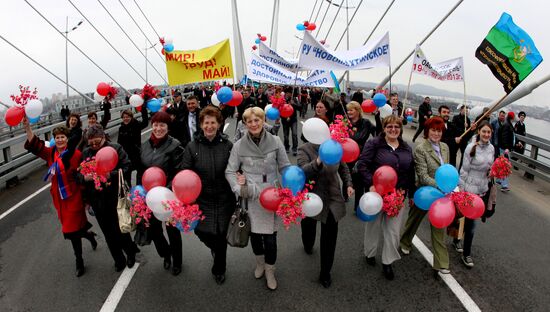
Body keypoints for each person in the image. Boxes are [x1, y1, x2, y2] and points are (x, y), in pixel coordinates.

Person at [225, 107, 291, 291]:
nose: (253, 124)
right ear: (244, 124)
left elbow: (285, 167)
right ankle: (260, 263)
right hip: (250, 196)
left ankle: (270, 269)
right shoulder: (238, 145)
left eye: (257, 120)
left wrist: (289, 187)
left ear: (263, 121)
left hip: (272, 195)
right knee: (254, 235)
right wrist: (238, 188)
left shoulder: (276, 141)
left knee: (270, 239)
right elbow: (230, 170)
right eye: (249, 121)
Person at [23, 118, 96, 277]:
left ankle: (79, 261)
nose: (60, 140)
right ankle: (89, 235)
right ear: (54, 140)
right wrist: (28, 128)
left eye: (63, 137)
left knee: (71, 230)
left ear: (67, 139)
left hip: (74, 195)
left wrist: (87, 198)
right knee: (73, 228)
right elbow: (35, 145)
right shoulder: (50, 153)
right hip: (59, 197)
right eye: (57, 138)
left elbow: (84, 174)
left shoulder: (76, 155)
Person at [181, 106, 235, 285]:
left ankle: (219, 269)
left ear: (219, 124)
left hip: (224, 199)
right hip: (201, 200)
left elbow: (236, 168)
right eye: (206, 123)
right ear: (201, 125)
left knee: (221, 237)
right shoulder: (192, 146)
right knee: (202, 231)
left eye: (213, 122)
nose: (209, 126)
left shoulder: (228, 146)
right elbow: (185, 171)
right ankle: (215, 249)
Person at [357, 115, 415, 280]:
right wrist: (370, 183)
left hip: (397, 196)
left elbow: (411, 172)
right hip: (377, 194)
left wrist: (409, 193)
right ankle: (370, 253)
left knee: (393, 232)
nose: (393, 129)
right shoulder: (374, 144)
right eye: (389, 126)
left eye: (396, 127)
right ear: (384, 128)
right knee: (373, 226)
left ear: (400, 129)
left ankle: (388, 262)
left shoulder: (406, 148)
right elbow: (362, 165)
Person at [79, 124, 139, 272]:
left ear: (103, 137)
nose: (94, 146)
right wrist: (84, 178)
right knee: (108, 233)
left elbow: (127, 166)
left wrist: (110, 175)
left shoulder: (115, 148)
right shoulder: (86, 153)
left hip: (114, 196)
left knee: (120, 229)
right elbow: (78, 174)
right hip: (97, 199)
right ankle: (118, 260)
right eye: (90, 143)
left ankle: (130, 253)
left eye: (97, 142)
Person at [297, 136, 354, 288]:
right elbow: (302, 172)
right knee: (308, 227)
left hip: (332, 197)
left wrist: (348, 184)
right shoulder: (304, 149)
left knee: (329, 238)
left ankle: (325, 272)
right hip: (312, 196)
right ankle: (308, 244)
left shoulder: (334, 146)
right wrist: (318, 161)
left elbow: (343, 167)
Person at [400, 117, 451, 275]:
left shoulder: (445, 147)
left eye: (439, 130)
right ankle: (405, 241)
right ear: (427, 131)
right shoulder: (421, 148)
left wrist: (451, 185)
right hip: (424, 191)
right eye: (433, 130)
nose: (436, 133)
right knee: (414, 220)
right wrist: (441, 186)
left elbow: (448, 169)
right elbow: (422, 175)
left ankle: (441, 263)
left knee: (439, 226)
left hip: (442, 194)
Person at [138, 111, 185, 276]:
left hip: (168, 195)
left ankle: (177, 262)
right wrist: (140, 193)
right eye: (156, 124)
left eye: (162, 125)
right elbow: (141, 171)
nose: (158, 128)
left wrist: (166, 189)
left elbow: (179, 172)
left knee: (172, 230)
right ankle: (166, 254)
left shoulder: (175, 146)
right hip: (149, 196)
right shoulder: (144, 145)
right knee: (154, 229)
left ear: (168, 127)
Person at [453, 121, 495, 268]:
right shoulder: (471, 147)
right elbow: (463, 171)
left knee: (469, 221)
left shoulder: (492, 148)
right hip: (469, 190)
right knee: (471, 224)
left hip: (482, 190)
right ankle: (467, 254)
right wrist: (462, 191)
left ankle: (457, 239)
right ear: (478, 132)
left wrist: (492, 173)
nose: (486, 134)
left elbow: (490, 169)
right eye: (484, 131)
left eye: (489, 132)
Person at [346, 101, 374, 208]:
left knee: (359, 182)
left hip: (361, 156)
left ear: (357, 111)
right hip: (346, 156)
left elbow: (377, 133)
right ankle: (346, 192)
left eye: (351, 110)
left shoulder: (366, 123)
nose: (349, 112)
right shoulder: (345, 122)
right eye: (347, 110)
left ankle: (358, 206)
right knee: (347, 177)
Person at [117, 108, 149, 186]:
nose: (126, 119)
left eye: (127, 117)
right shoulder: (121, 128)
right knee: (127, 175)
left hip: (136, 153)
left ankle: (138, 189)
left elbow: (145, 123)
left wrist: (143, 108)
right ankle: (129, 191)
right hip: (126, 156)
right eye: (124, 117)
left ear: (131, 117)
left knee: (140, 172)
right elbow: (119, 142)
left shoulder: (136, 125)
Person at [451, 104, 473, 169]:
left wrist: (468, 127)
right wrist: (463, 126)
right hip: (457, 139)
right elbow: (453, 127)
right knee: (453, 154)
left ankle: (460, 169)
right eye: (464, 110)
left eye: (467, 110)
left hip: (464, 140)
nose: (466, 112)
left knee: (464, 155)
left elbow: (468, 131)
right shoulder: (455, 117)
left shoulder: (468, 120)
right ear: (461, 110)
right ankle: (452, 168)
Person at [497, 112, 515, 192]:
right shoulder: (507, 125)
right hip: (505, 149)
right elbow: (504, 137)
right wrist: (507, 147)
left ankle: (499, 179)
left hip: (503, 148)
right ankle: (504, 185)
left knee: (502, 165)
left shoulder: (507, 124)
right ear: (512, 117)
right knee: (505, 166)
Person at [281, 90, 299, 156]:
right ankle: (286, 147)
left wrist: (294, 103)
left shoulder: (294, 99)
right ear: (285, 93)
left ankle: (295, 148)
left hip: (293, 120)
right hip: (285, 120)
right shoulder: (282, 100)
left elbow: (300, 107)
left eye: (290, 93)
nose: (289, 94)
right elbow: (279, 110)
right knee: (286, 135)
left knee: (294, 134)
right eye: (288, 93)